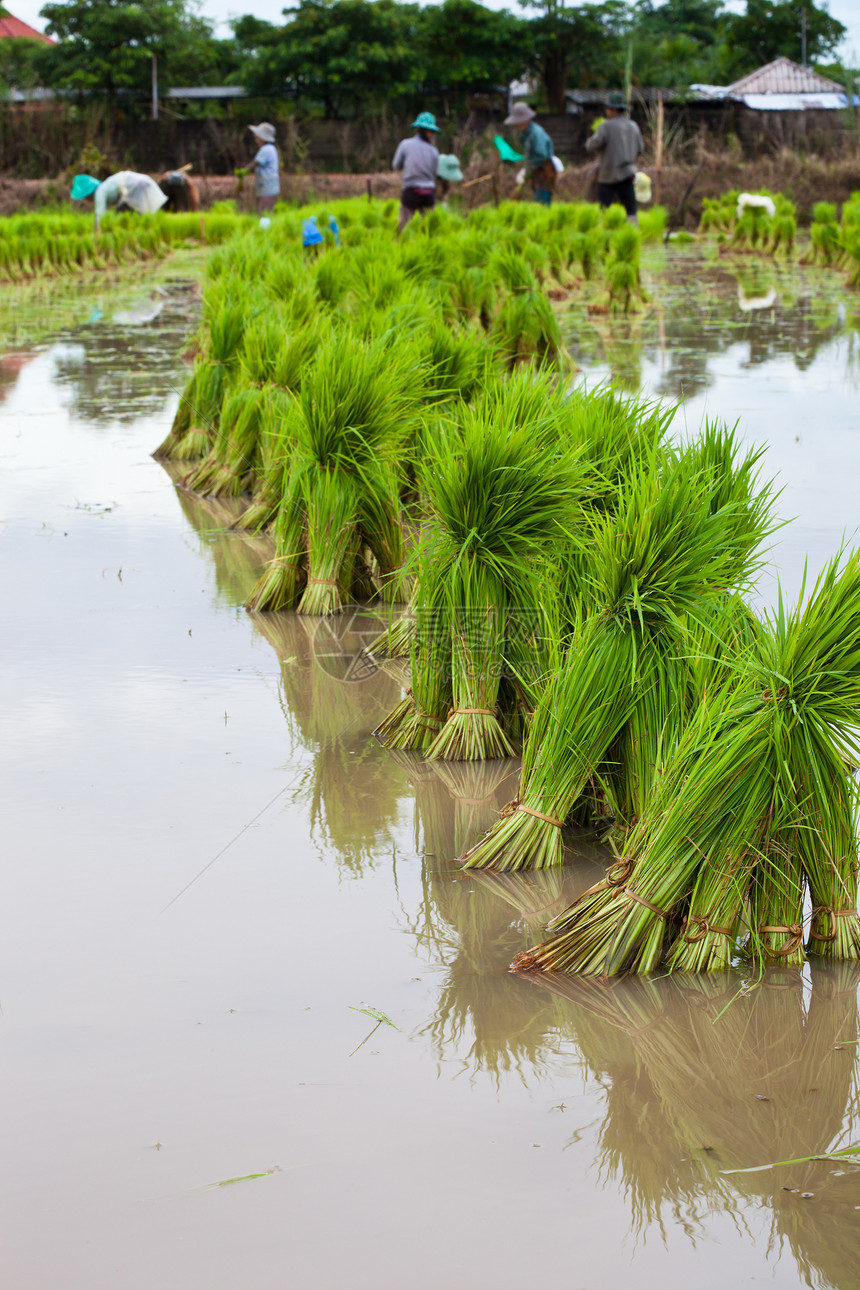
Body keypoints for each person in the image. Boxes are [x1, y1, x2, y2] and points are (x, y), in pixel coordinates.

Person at [586, 91, 644, 219]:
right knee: (631, 209)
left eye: (608, 108)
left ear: (613, 110)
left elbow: (591, 145)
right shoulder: (633, 126)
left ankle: (604, 233)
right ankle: (632, 234)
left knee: (604, 209)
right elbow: (641, 149)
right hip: (628, 173)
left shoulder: (605, 126)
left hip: (608, 174)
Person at [392, 112, 440, 233]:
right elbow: (435, 173)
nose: (432, 135)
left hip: (411, 191)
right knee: (429, 228)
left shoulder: (405, 145)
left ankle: (399, 245)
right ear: (426, 131)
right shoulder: (434, 151)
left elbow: (396, 165)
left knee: (403, 226)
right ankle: (428, 247)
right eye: (431, 132)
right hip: (429, 192)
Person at [70, 171, 167, 228]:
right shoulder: (104, 187)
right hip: (139, 182)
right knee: (136, 216)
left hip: (134, 186)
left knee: (121, 217)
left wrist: (97, 234)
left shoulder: (100, 192)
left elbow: (100, 217)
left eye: (85, 197)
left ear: (88, 194)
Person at [504, 103, 555, 206]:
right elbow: (528, 156)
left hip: (545, 172)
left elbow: (541, 156)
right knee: (537, 200)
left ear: (525, 120)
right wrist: (525, 169)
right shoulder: (525, 134)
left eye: (518, 122)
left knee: (542, 204)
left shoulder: (536, 133)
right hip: (536, 172)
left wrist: (526, 170)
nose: (516, 126)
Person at [247, 123, 280, 214]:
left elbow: (255, 163)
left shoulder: (267, 149)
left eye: (257, 137)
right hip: (266, 186)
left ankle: (265, 227)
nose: (256, 139)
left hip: (267, 186)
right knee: (263, 211)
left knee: (264, 212)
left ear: (262, 138)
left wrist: (243, 171)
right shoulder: (270, 148)